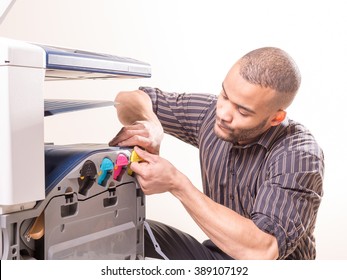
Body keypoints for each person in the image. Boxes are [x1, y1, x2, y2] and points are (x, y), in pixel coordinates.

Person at [109, 47, 324, 260]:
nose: (223, 113)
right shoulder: (209, 113)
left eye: (242, 111)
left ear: (275, 118)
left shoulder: (299, 155)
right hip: (219, 256)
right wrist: (151, 123)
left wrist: (178, 184)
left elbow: (262, 252)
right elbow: (127, 99)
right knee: (123, 234)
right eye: (224, 95)